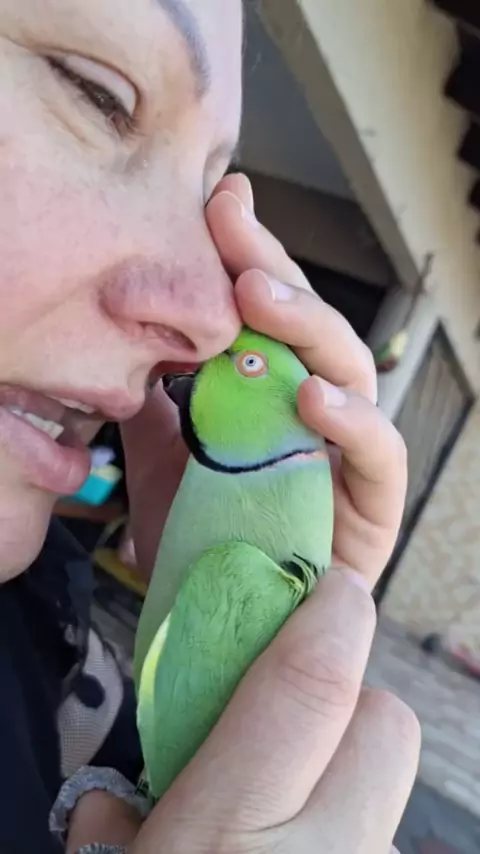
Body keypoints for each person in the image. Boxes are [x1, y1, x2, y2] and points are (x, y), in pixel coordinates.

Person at [0, 0, 418, 852]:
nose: (213, 316)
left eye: (198, 194)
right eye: (97, 94)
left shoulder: (49, 643)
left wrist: (244, 674)